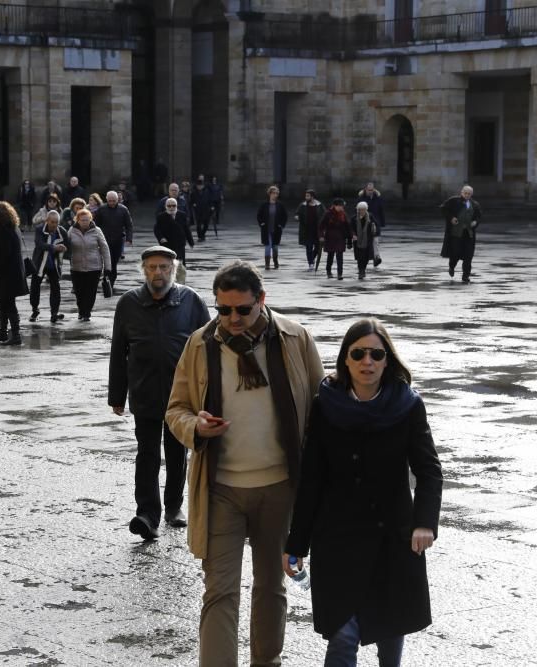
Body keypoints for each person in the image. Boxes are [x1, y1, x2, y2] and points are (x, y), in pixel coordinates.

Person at [166, 260, 324, 666]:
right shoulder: (200, 344)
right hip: (220, 488)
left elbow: (323, 409)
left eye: (242, 309)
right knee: (219, 589)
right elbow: (176, 409)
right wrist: (196, 426)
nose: (232, 319)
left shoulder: (294, 338)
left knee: (272, 586)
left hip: (279, 487)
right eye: (223, 310)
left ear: (262, 301)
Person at [283, 318, 442, 667]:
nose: (367, 361)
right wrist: (296, 544)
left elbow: (429, 470)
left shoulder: (408, 404)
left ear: (387, 360)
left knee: (390, 629)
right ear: (346, 359)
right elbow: (312, 478)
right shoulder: (326, 403)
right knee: (343, 634)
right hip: (337, 537)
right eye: (358, 353)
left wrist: (424, 523)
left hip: (392, 538)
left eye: (376, 354)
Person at [109, 246, 210, 541]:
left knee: (178, 453)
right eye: (152, 267)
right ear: (144, 270)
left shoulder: (191, 301)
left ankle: (174, 507)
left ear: (174, 269)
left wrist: (209, 392)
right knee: (147, 454)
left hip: (182, 396)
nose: (158, 273)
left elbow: (208, 350)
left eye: (164, 267)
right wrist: (117, 395)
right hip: (145, 392)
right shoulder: (129, 304)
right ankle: (147, 514)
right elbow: (119, 351)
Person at [0, 201, 29, 345]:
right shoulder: (12, 227)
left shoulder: (2, 229)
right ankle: (3, 333)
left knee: (8, 304)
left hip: (5, 273)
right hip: (11, 272)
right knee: (3, 302)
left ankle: (15, 335)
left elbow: (4, 252)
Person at [66, 208, 110, 322]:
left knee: (91, 291)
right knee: (79, 292)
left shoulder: (97, 231)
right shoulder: (72, 230)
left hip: (94, 267)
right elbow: (65, 245)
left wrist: (108, 267)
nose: (85, 222)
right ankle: (81, 310)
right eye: (82, 220)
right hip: (76, 266)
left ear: (91, 219)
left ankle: (87, 313)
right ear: (77, 220)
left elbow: (105, 249)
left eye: (87, 220)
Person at [29, 209, 68, 324]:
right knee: (35, 288)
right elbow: (39, 244)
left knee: (56, 289)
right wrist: (54, 247)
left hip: (54, 264)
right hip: (39, 263)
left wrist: (65, 249)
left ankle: (54, 313)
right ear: (47, 220)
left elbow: (67, 245)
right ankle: (35, 310)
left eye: (56, 222)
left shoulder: (62, 231)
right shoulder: (39, 229)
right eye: (52, 222)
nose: (54, 224)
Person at [440, 185, 482, 284]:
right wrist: (451, 218)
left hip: (469, 234)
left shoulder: (474, 204)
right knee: (455, 253)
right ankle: (451, 266)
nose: (467, 195)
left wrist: (475, 222)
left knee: (468, 256)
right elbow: (443, 208)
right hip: (456, 233)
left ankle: (466, 276)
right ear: (461, 192)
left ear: (471, 194)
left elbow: (479, 216)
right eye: (465, 193)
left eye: (469, 194)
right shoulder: (454, 201)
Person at [95, 191, 135, 288]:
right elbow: (96, 225)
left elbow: (129, 225)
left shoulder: (123, 209)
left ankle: (111, 281)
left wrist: (129, 239)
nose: (112, 203)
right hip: (104, 240)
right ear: (107, 200)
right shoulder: (102, 209)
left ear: (118, 200)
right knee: (105, 261)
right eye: (110, 201)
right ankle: (106, 278)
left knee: (113, 263)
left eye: (114, 201)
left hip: (118, 240)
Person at [154, 197, 194, 279]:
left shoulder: (182, 215)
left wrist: (191, 242)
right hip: (167, 244)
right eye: (169, 206)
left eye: (173, 205)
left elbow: (187, 229)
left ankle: (180, 281)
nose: (171, 208)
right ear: (165, 206)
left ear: (176, 206)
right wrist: (161, 238)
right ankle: (168, 279)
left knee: (180, 262)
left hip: (179, 243)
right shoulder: (161, 217)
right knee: (168, 262)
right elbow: (157, 229)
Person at [318, 199, 353, 280]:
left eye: (342, 206)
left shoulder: (343, 214)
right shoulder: (328, 214)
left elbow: (348, 226)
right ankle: (328, 271)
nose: (341, 207)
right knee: (330, 255)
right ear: (335, 206)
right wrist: (321, 236)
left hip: (341, 237)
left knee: (339, 256)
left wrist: (351, 236)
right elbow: (321, 226)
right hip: (330, 237)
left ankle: (339, 273)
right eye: (340, 206)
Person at [257, 185, 288, 270]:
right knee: (267, 246)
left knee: (275, 247)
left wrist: (281, 225)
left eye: (276, 193)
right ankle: (267, 264)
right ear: (269, 194)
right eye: (273, 193)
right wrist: (262, 223)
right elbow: (259, 215)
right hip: (266, 229)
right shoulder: (264, 205)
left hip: (276, 229)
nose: (275, 195)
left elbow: (285, 216)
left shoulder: (280, 205)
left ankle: (275, 261)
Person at [295, 189, 326, 272]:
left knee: (317, 247)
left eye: (308, 196)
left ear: (312, 197)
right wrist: (297, 216)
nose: (306, 197)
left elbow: (325, 214)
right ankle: (311, 264)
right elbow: (297, 212)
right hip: (306, 230)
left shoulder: (319, 205)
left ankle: (311, 258)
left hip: (317, 230)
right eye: (306, 196)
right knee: (308, 247)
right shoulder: (303, 205)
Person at [357, 182, 386, 267]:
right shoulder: (361, 199)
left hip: (376, 223)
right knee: (366, 242)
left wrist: (382, 222)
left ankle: (376, 257)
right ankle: (366, 259)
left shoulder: (378, 198)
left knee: (375, 241)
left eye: (372, 190)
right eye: (369, 190)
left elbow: (381, 211)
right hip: (365, 223)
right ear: (365, 189)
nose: (370, 191)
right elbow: (358, 211)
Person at [351, 202, 378, 281]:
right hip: (357, 241)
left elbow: (376, 225)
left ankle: (363, 269)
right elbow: (351, 228)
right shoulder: (354, 218)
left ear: (366, 209)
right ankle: (361, 271)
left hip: (368, 240)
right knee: (360, 257)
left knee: (366, 257)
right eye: (360, 209)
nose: (362, 211)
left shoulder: (370, 216)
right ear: (358, 210)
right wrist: (353, 235)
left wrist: (375, 231)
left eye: (364, 209)